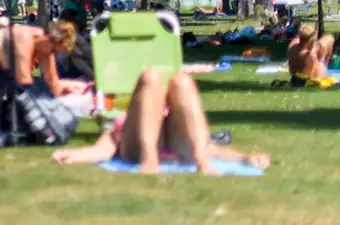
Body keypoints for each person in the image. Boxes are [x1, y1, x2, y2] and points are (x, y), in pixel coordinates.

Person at [53, 69, 269, 174]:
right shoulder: (132, 117)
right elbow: (104, 148)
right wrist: (75, 155)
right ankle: (150, 157)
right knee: (151, 77)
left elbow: (211, 147)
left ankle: (202, 162)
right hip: (140, 147)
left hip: (186, 149)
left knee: (182, 80)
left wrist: (246, 158)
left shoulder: (181, 119)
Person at [0, 20, 81, 114]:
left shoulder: (44, 47)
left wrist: (70, 89)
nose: (52, 54)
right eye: (53, 50)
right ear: (48, 37)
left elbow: (53, 82)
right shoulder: (24, 37)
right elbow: (23, 80)